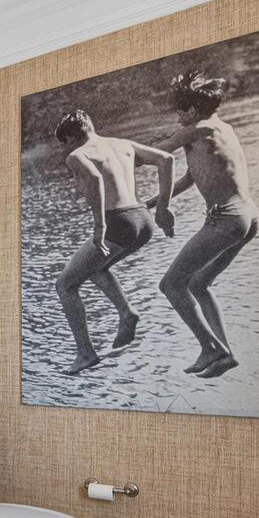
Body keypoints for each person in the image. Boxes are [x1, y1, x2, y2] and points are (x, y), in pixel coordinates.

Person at [148, 70, 259, 379]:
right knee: (197, 283)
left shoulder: (194, 130)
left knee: (170, 285)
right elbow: (190, 178)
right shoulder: (221, 128)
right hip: (248, 217)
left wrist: (112, 157)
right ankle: (224, 353)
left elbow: (155, 155)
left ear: (192, 110)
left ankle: (211, 348)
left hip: (225, 218)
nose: (177, 118)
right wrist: (150, 204)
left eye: (179, 111)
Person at [52, 109, 176, 375]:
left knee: (65, 284)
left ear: (72, 137)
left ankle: (85, 353)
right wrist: (163, 207)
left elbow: (95, 178)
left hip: (117, 222)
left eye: (66, 142)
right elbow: (166, 159)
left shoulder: (77, 155)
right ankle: (127, 313)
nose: (67, 149)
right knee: (94, 268)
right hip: (143, 220)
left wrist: (99, 226)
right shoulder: (122, 144)